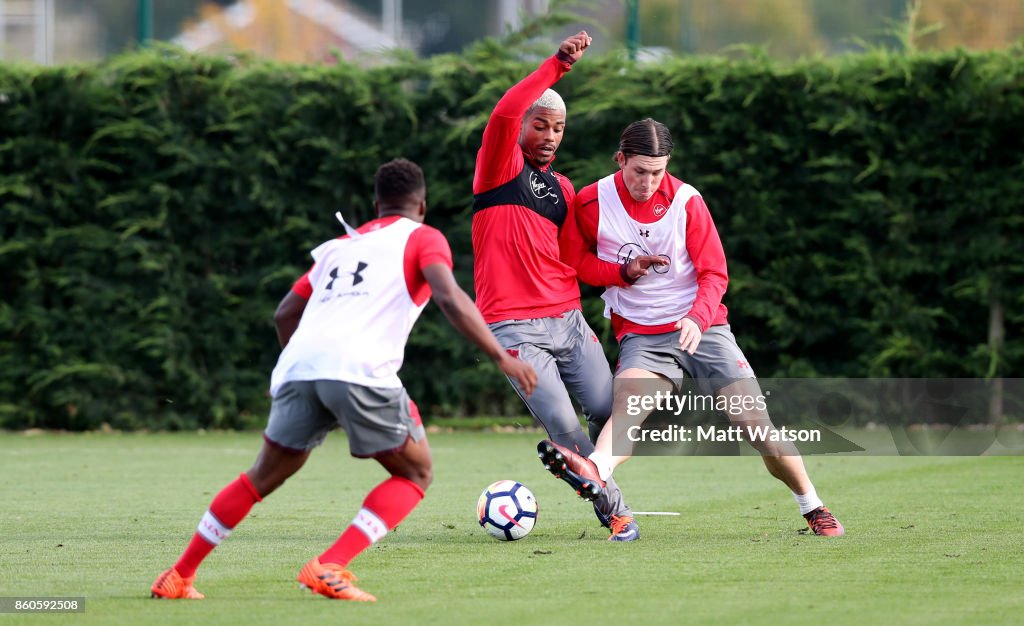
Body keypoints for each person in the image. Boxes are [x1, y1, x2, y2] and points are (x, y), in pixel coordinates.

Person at [150, 158, 538, 602]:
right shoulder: (423, 237)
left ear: (376, 205)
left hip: (300, 367)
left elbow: (284, 314)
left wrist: (299, 369)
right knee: (415, 473)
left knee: (259, 477)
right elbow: (449, 296)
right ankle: (329, 565)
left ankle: (179, 575)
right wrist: (499, 356)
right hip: (359, 369)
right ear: (422, 205)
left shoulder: (337, 246)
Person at [538, 119, 844, 537]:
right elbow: (576, 262)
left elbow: (715, 274)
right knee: (629, 408)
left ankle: (813, 506)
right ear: (620, 159)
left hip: (704, 326)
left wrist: (698, 318)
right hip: (643, 334)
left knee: (756, 426)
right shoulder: (591, 202)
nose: (647, 182)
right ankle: (594, 470)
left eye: (657, 172)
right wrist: (623, 272)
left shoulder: (686, 201)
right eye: (638, 171)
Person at [471, 31, 663, 542]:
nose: (551, 135)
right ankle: (616, 514)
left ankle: (590, 474)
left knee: (613, 413)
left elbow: (577, 262)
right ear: (522, 129)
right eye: (541, 125)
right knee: (567, 433)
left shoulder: (563, 189)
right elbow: (505, 110)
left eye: (559, 127)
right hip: (515, 330)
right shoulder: (498, 167)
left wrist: (626, 272)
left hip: (570, 323)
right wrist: (558, 65)